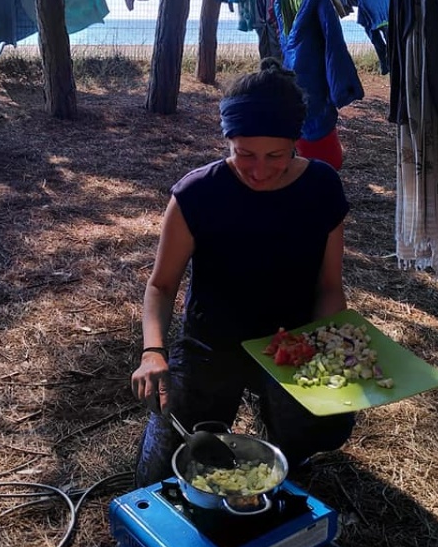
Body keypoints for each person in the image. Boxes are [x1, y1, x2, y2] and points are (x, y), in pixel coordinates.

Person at [130, 57, 356, 487]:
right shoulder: (197, 193)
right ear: (227, 141)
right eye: (244, 154)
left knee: (328, 426)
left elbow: (328, 286)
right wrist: (152, 351)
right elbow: (160, 286)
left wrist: (330, 346)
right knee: (161, 476)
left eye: (277, 155)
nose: (259, 170)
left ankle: (287, 438)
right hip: (211, 344)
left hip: (292, 345)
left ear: (297, 141)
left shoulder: (322, 187)